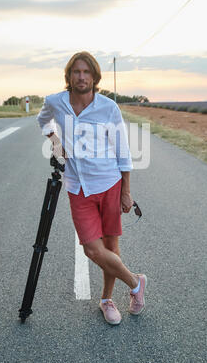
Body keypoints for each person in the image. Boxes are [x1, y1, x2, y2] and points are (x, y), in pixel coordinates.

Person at [36, 51, 147, 325]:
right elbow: (43, 120)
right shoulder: (55, 102)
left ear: (95, 77)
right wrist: (54, 138)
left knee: (111, 245)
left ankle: (107, 300)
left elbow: (122, 150)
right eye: (76, 72)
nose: (81, 77)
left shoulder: (108, 107)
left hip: (110, 183)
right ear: (69, 76)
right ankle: (136, 283)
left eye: (86, 72)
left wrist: (126, 191)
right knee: (92, 249)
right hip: (78, 187)